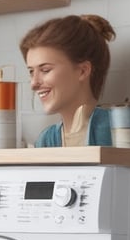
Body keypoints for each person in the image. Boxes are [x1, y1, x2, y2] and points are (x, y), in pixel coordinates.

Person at [19, 14, 116, 148]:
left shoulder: (117, 130)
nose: (33, 83)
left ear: (82, 71)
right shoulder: (46, 140)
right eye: (31, 72)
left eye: (45, 70)